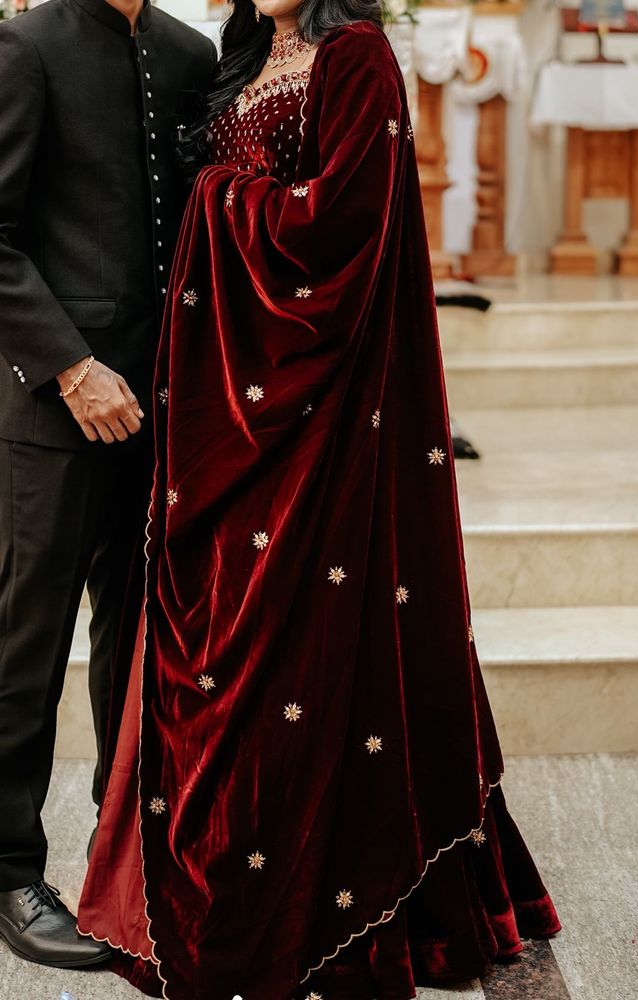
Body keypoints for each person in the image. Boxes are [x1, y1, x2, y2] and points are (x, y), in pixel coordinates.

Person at [77, 2, 561, 998]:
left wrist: (217, 194)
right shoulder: (240, 52)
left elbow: (341, 225)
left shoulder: (360, 57)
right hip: (226, 402)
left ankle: (332, 887)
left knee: (306, 632)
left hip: (319, 409)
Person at [0, 0, 215, 970]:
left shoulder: (188, 51)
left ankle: (121, 856)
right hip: (54, 413)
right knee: (24, 645)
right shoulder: (27, 43)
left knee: (137, 646)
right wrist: (70, 368)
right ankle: (8, 872)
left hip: (163, 408)